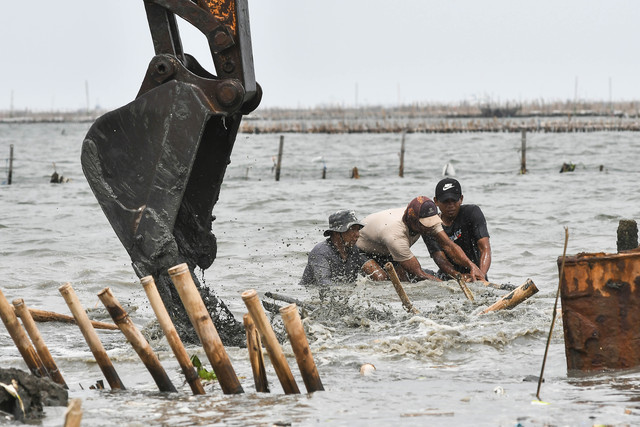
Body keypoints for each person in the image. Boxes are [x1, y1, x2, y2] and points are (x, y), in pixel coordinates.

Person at [356, 196, 485, 282]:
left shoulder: (428, 220)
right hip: (360, 249)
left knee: (405, 280)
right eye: (426, 224)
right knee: (381, 279)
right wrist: (449, 286)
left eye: (432, 222)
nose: (430, 227)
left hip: (387, 250)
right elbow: (418, 273)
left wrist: (472, 266)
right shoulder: (395, 235)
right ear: (413, 221)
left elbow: (449, 245)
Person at [426, 178, 491, 281]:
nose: (450, 205)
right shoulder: (430, 225)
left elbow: (485, 248)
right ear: (436, 201)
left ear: (461, 199)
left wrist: (481, 276)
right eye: (445, 201)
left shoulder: (472, 213)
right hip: (450, 276)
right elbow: (440, 259)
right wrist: (458, 276)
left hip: (476, 273)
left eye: (454, 200)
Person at [299, 210, 386, 287]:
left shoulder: (353, 251)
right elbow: (324, 284)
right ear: (336, 233)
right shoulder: (321, 253)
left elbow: (373, 275)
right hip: (312, 298)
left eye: (358, 230)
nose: (357, 235)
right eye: (352, 229)